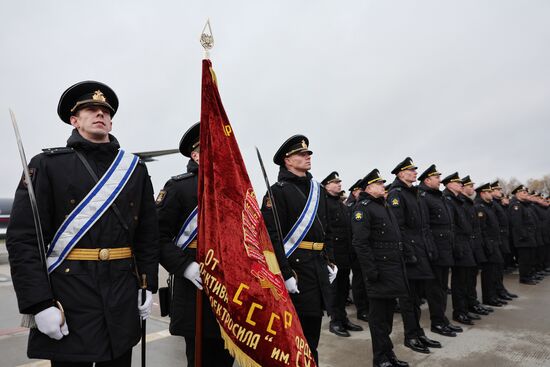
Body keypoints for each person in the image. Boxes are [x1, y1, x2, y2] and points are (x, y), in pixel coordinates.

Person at [7, 81, 159, 366]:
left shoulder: (134, 170)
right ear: (74, 120)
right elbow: (23, 239)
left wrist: (147, 285)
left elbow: (148, 235)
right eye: (91, 109)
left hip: (121, 296)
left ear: (111, 122)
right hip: (69, 297)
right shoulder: (48, 165)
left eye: (105, 111)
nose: (99, 113)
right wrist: (38, 303)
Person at [155, 122, 234, 366]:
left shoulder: (232, 189)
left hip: (231, 288)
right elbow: (158, 237)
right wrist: (185, 267)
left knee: (228, 357)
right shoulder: (178, 187)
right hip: (195, 287)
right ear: (196, 154)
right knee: (201, 358)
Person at [261, 135, 336, 364]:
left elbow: (327, 230)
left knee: (312, 337)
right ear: (288, 161)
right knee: (294, 339)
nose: (307, 157)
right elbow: (271, 238)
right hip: (296, 273)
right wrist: (284, 274)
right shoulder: (277, 192)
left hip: (318, 270)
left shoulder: (318, 190)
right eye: (301, 154)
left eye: (308, 154)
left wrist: (330, 261)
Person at [351, 169, 409, 367]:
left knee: (387, 317)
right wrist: (371, 271)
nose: (383, 186)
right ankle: (380, 359)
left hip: (392, 270)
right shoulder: (363, 208)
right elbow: (360, 243)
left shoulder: (383, 206)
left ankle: (389, 355)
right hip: (379, 272)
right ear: (369, 188)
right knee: (378, 319)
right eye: (379, 184)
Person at [387, 157, 441, 354]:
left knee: (417, 297)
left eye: (414, 170)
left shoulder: (414, 193)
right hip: (409, 255)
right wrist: (408, 252)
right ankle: (410, 336)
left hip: (420, 252)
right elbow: (397, 227)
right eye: (410, 171)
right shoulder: (397, 194)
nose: (414, 173)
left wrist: (429, 248)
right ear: (401, 174)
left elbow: (423, 227)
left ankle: (418, 332)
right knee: (408, 299)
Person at [417, 165, 462, 336]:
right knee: (435, 289)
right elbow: (425, 227)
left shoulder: (439, 196)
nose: (439, 179)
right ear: (427, 180)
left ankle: (442, 319)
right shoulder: (424, 197)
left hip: (445, 249)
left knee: (442, 287)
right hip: (435, 250)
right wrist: (431, 249)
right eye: (436, 177)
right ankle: (437, 322)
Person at [322, 172, 364, 337]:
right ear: (326, 186)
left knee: (343, 289)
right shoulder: (323, 204)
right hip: (332, 255)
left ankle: (343, 318)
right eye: (335, 182)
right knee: (333, 290)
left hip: (345, 254)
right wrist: (327, 257)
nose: (339, 184)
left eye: (339, 182)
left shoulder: (341, 204)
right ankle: (335, 322)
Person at [441, 173, 481, 325]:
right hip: (458, 245)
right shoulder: (448, 200)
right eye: (458, 183)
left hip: (465, 243)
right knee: (460, 281)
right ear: (449, 184)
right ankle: (459, 312)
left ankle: (464, 309)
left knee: (466, 279)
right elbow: (452, 226)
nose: (461, 185)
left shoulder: (457, 200)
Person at [474, 183, 506, 306]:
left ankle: (495, 295)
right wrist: (487, 245)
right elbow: (482, 229)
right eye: (489, 192)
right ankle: (489, 297)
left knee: (495, 270)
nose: (491, 194)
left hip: (494, 242)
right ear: (482, 193)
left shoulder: (488, 206)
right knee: (489, 273)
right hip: (488, 244)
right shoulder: (480, 207)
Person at [345, 179, 370, 322]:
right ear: (355, 192)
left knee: (366, 280)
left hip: (362, 249)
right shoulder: (351, 206)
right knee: (359, 281)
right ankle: (362, 309)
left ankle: (367, 306)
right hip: (355, 250)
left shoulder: (360, 205)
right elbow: (350, 231)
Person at [489, 181, 517, 299]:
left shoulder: (497, 204)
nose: (500, 192)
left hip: (501, 239)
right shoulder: (492, 204)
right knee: (495, 269)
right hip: (495, 240)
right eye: (498, 190)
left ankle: (500, 289)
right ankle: (496, 291)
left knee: (500, 267)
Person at [508, 185, 539, 284]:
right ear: (517, 193)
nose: (526, 194)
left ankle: (529, 275)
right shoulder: (516, 205)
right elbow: (517, 223)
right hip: (523, 239)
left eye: (526, 192)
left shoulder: (523, 205)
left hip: (529, 237)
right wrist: (524, 236)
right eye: (524, 192)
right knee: (524, 259)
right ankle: (524, 278)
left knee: (530, 258)